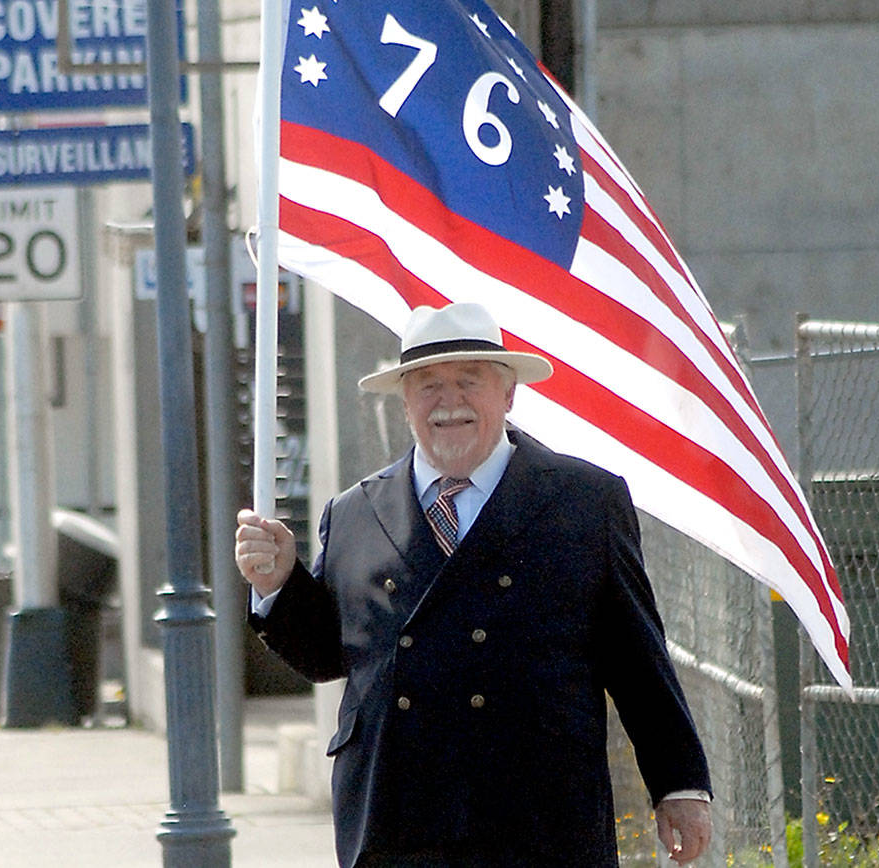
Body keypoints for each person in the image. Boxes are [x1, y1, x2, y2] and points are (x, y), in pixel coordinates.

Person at [236, 302, 712, 867]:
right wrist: (278, 585)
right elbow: (329, 656)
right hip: (398, 823)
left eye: (469, 381)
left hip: (538, 819)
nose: (449, 402)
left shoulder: (583, 502)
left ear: (508, 394)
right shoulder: (355, 512)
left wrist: (678, 784)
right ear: (406, 400)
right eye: (429, 385)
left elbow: (637, 659)